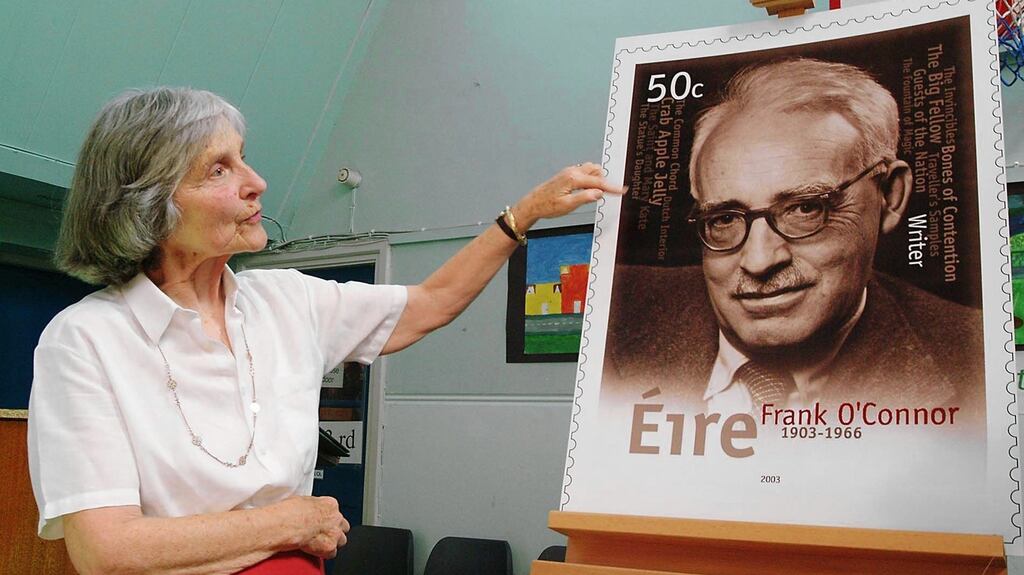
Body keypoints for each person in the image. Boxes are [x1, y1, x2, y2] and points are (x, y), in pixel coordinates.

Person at [27, 87, 622, 574]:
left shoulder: (286, 299)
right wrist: (290, 522)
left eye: (243, 157)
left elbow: (432, 302)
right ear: (150, 205)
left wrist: (523, 215)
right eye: (219, 168)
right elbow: (107, 550)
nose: (257, 181)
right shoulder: (84, 339)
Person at [603, 58, 984, 424]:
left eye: (804, 209)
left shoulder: (977, 360)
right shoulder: (613, 307)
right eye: (725, 219)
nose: (759, 261)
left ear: (889, 195)